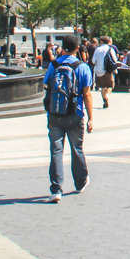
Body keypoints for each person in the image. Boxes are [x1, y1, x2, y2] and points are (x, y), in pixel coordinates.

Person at [43, 35, 93, 204]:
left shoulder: (54, 64)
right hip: (75, 113)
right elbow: (86, 94)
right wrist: (91, 118)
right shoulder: (83, 67)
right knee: (76, 148)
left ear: (62, 48)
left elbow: (46, 85)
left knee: (56, 151)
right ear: (77, 48)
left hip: (55, 114)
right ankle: (80, 182)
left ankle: (56, 190)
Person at [92, 36, 118, 109]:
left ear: (101, 41)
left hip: (99, 71)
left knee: (103, 87)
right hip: (108, 70)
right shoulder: (110, 49)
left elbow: (93, 61)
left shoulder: (97, 49)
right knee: (110, 86)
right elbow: (115, 59)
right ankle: (107, 96)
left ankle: (104, 100)